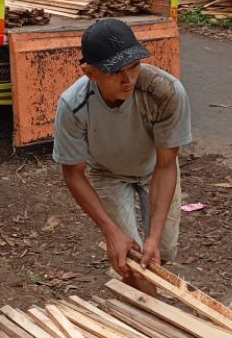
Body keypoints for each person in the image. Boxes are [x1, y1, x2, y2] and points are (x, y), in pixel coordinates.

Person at [52, 17, 192, 295]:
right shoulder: (73, 105)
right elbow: (73, 173)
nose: (128, 79)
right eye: (116, 72)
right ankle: (152, 314)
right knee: (128, 254)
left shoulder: (166, 92)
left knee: (161, 249)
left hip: (155, 168)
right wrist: (111, 232)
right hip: (108, 172)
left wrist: (153, 235)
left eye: (134, 67)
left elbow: (166, 165)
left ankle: (151, 301)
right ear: (90, 73)